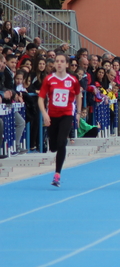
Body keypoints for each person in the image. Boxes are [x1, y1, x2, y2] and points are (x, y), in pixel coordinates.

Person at [38, 53, 82, 187]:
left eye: (62, 61)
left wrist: (78, 113)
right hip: (52, 115)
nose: (59, 63)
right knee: (54, 146)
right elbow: (41, 98)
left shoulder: (73, 80)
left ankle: (57, 174)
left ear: (67, 64)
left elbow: (79, 94)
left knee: (62, 142)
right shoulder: (49, 79)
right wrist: (45, 114)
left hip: (67, 114)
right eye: (57, 61)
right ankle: (53, 145)